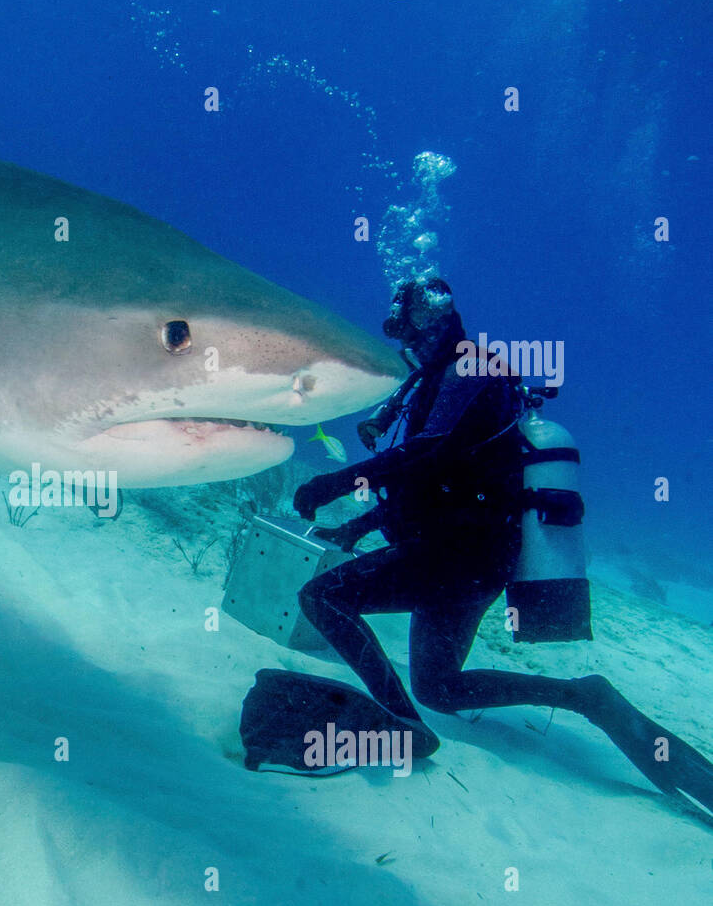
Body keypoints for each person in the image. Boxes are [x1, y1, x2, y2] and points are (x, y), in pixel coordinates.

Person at [291, 276, 713, 815]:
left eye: (417, 328)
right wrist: (360, 526)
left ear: (443, 319)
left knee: (322, 597)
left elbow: (428, 452)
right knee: (440, 687)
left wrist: (333, 483)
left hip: (458, 557)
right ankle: (584, 696)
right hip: (468, 557)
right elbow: (442, 481)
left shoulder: (472, 368)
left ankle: (403, 727)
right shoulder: (439, 380)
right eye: (403, 333)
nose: (411, 344)